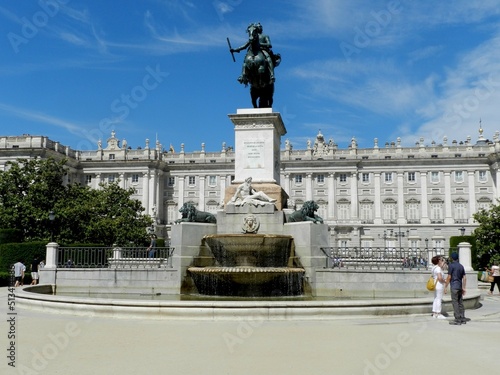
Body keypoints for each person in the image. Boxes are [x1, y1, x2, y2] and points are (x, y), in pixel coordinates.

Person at [444, 252, 470, 325]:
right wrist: (464, 287)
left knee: (455, 302)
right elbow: (464, 278)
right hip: (459, 286)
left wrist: (445, 286)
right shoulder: (461, 266)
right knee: (460, 302)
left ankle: (457, 319)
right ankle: (462, 318)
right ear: (458, 258)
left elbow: (449, 277)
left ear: (452, 258)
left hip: (454, 286)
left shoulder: (451, 266)